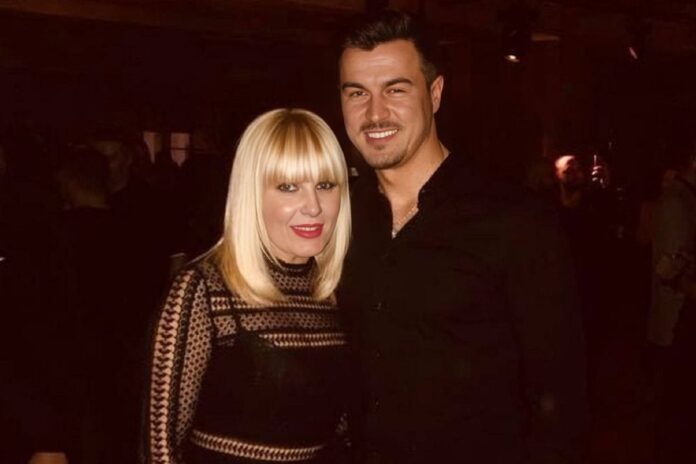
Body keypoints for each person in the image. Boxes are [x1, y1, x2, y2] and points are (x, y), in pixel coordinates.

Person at [337, 11, 587, 463]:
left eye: (395, 89)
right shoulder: (337, 218)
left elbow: (560, 398)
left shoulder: (514, 221)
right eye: (357, 93)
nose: (374, 113)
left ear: (435, 93)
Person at [143, 108, 352, 464]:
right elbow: (160, 449)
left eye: (325, 185)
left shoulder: (332, 293)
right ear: (251, 194)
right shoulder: (203, 289)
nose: (314, 206)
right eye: (288, 187)